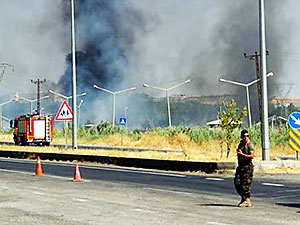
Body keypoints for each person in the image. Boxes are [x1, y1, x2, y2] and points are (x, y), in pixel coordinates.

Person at [234, 129, 255, 207]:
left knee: (245, 184)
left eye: (247, 136)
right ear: (241, 137)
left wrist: (242, 154)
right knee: (237, 183)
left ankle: (247, 200)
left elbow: (252, 156)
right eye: (244, 136)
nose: (246, 137)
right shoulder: (241, 144)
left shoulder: (249, 145)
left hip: (248, 167)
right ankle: (243, 198)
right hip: (241, 166)